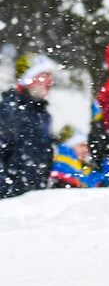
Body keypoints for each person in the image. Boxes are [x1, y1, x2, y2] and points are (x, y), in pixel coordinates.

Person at [1, 54, 56, 198]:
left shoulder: (43, 114)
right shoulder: (9, 110)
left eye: (50, 75)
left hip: (33, 201)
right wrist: (6, 194)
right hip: (11, 201)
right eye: (43, 75)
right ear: (28, 79)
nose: (49, 81)